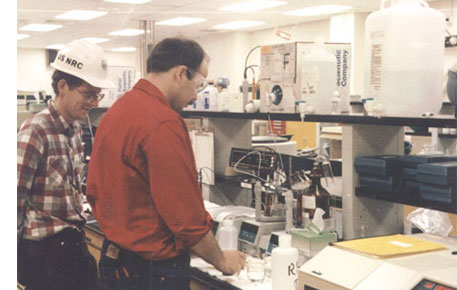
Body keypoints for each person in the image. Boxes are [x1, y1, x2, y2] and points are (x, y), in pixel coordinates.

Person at [86, 37, 247, 290]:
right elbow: (186, 219)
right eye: (200, 84)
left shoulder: (115, 112)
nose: (195, 96)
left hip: (116, 259)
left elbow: (95, 190)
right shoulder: (163, 123)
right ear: (181, 73)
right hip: (150, 273)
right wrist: (221, 260)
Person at [17, 39, 115, 290]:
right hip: (43, 253)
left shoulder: (74, 130)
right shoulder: (36, 130)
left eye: (98, 95)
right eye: (88, 94)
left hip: (71, 245)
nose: (94, 102)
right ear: (63, 86)